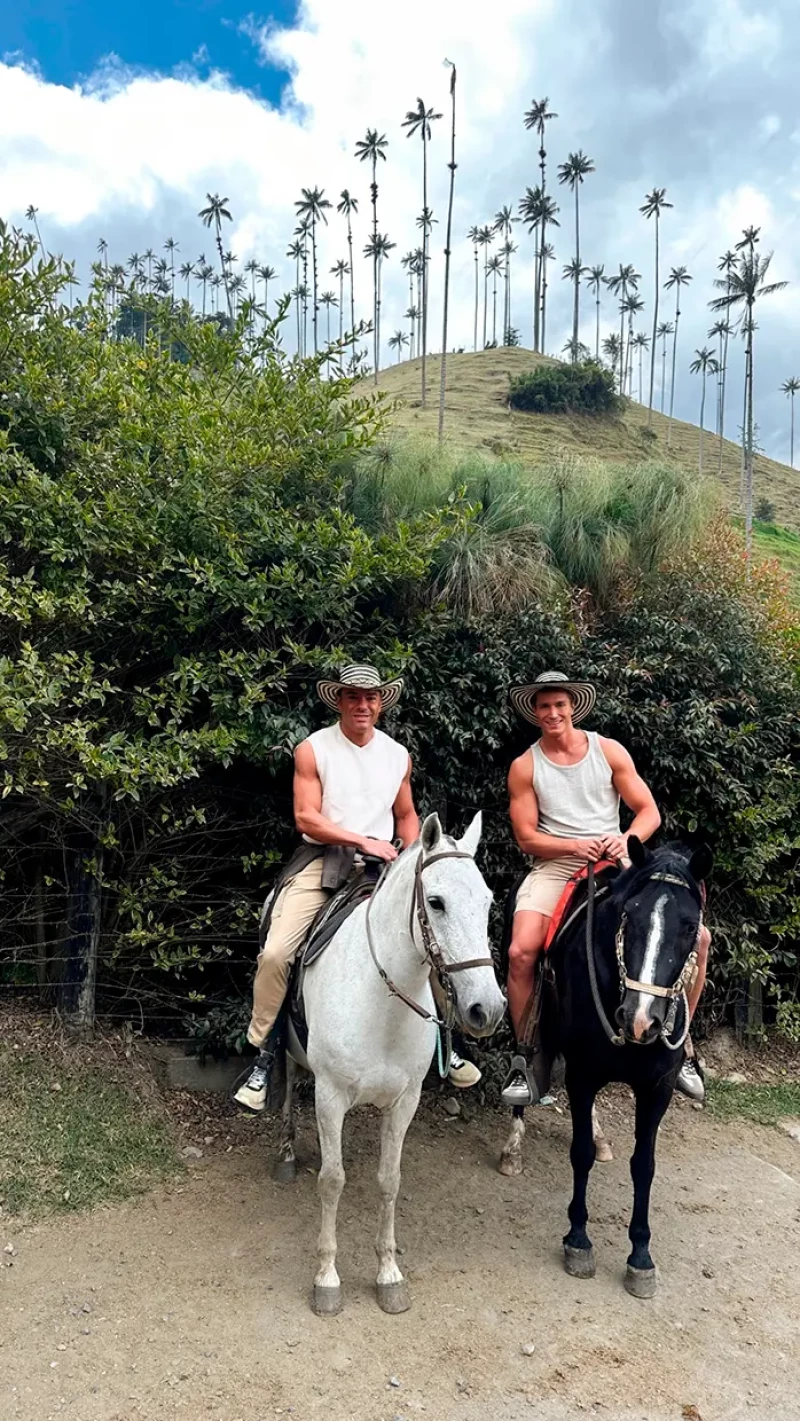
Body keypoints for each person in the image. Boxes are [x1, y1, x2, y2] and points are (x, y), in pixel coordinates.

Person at [233, 663, 481, 1111]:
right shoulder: (313, 749)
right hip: (323, 860)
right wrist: (361, 839)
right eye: (352, 696)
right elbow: (307, 817)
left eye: (370, 697)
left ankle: (450, 1042)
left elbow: (406, 815)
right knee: (276, 952)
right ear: (339, 701)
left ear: (381, 702)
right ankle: (264, 1052)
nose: (362, 704)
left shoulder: (397, 755)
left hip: (383, 864)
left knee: (433, 934)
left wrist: (408, 852)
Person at [503, 670, 709, 1106]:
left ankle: (684, 1046)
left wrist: (624, 837)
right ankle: (526, 1056)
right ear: (534, 713)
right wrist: (576, 845)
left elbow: (648, 811)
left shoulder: (608, 750)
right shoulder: (525, 766)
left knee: (701, 939)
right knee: (521, 952)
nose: (553, 712)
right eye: (544, 706)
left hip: (620, 863)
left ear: (572, 707)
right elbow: (525, 837)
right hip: (557, 865)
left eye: (560, 704)